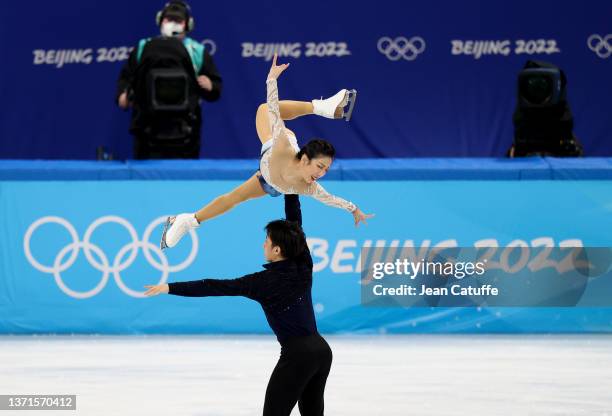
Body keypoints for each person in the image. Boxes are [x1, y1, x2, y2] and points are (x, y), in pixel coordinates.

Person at [145, 194, 332, 415]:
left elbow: (213, 286)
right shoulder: (303, 263)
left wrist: (170, 287)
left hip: (298, 355)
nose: (264, 243)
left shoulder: (261, 283)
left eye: (268, 240)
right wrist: (291, 188)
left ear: (277, 250)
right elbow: (295, 224)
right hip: (322, 351)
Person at [160, 53, 372, 250]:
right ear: (305, 159)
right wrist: (271, 79)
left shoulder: (310, 188)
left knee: (236, 195)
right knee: (265, 111)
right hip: (274, 154)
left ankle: (321, 107)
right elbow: (272, 108)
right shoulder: (283, 146)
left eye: (326, 169)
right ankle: (189, 220)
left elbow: (332, 199)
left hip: (272, 181)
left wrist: (354, 210)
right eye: (320, 166)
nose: (322, 173)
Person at [116, 0, 222, 159]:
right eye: (168, 20)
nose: (172, 24)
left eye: (178, 21)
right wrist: (123, 95)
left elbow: (216, 87)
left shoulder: (198, 52)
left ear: (188, 25)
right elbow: (126, 78)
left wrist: (210, 85)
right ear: (160, 21)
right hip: (147, 129)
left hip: (186, 130)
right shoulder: (143, 47)